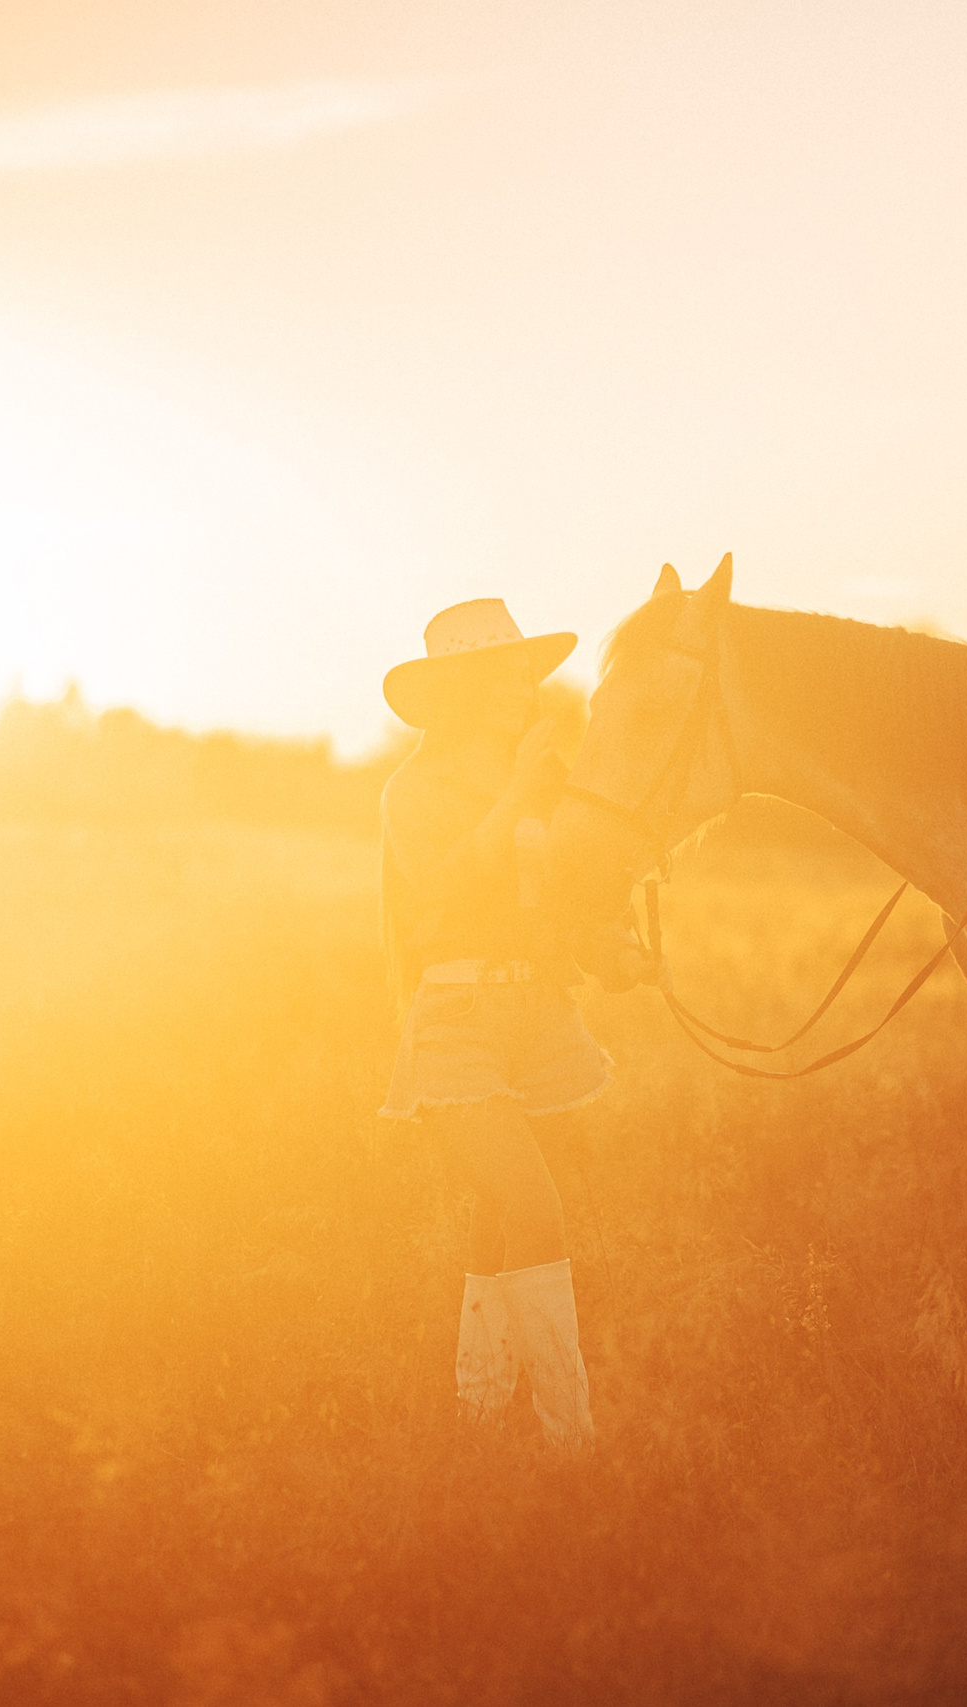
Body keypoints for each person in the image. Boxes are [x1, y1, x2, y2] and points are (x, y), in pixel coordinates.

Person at [376, 597, 646, 1451]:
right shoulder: (414, 789)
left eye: (519, 673)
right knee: (533, 1207)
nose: (517, 689)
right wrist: (521, 796)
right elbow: (439, 894)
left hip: (537, 1016)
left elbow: (560, 898)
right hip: (457, 1015)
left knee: (499, 1226)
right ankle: (572, 1439)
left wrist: (614, 948)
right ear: (458, 691)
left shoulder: (546, 781)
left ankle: (481, 1415)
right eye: (496, 676)